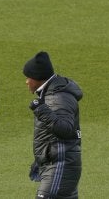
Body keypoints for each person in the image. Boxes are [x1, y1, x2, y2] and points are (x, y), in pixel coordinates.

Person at [23, 51, 83, 199]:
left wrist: (41, 109)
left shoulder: (57, 97)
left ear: (38, 78)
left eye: (28, 77)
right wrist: (40, 159)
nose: (26, 81)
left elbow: (66, 129)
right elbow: (51, 134)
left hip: (60, 167)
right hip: (58, 165)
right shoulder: (52, 94)